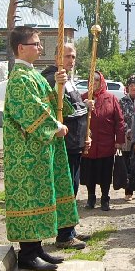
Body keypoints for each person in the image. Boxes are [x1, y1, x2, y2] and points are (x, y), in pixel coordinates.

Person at [4, 26, 82, 271]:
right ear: (21, 48)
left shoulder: (34, 75)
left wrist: (60, 86)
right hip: (25, 152)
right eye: (35, 44)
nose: (40, 48)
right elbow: (29, 111)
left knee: (41, 196)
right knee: (30, 198)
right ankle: (27, 254)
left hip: (38, 149)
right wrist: (55, 127)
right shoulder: (19, 78)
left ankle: (36, 248)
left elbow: (52, 103)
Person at [43, 43, 91, 249]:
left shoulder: (69, 80)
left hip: (75, 143)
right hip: (65, 142)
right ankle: (64, 235)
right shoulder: (52, 78)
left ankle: (70, 228)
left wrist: (85, 108)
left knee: (73, 187)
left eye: (73, 57)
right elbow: (56, 107)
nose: (71, 60)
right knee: (66, 188)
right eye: (67, 56)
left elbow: (75, 108)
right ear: (57, 57)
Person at [82, 70, 124, 211]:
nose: (93, 83)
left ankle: (105, 199)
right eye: (91, 80)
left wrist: (119, 140)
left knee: (105, 173)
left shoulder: (111, 98)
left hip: (106, 143)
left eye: (96, 80)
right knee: (90, 173)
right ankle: (91, 198)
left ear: (101, 82)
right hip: (89, 144)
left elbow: (119, 121)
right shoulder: (83, 98)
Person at [118, 76, 135, 201]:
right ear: (127, 87)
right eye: (131, 85)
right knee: (127, 163)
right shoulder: (122, 101)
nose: (134, 87)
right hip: (127, 137)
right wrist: (128, 130)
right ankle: (128, 191)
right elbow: (120, 119)